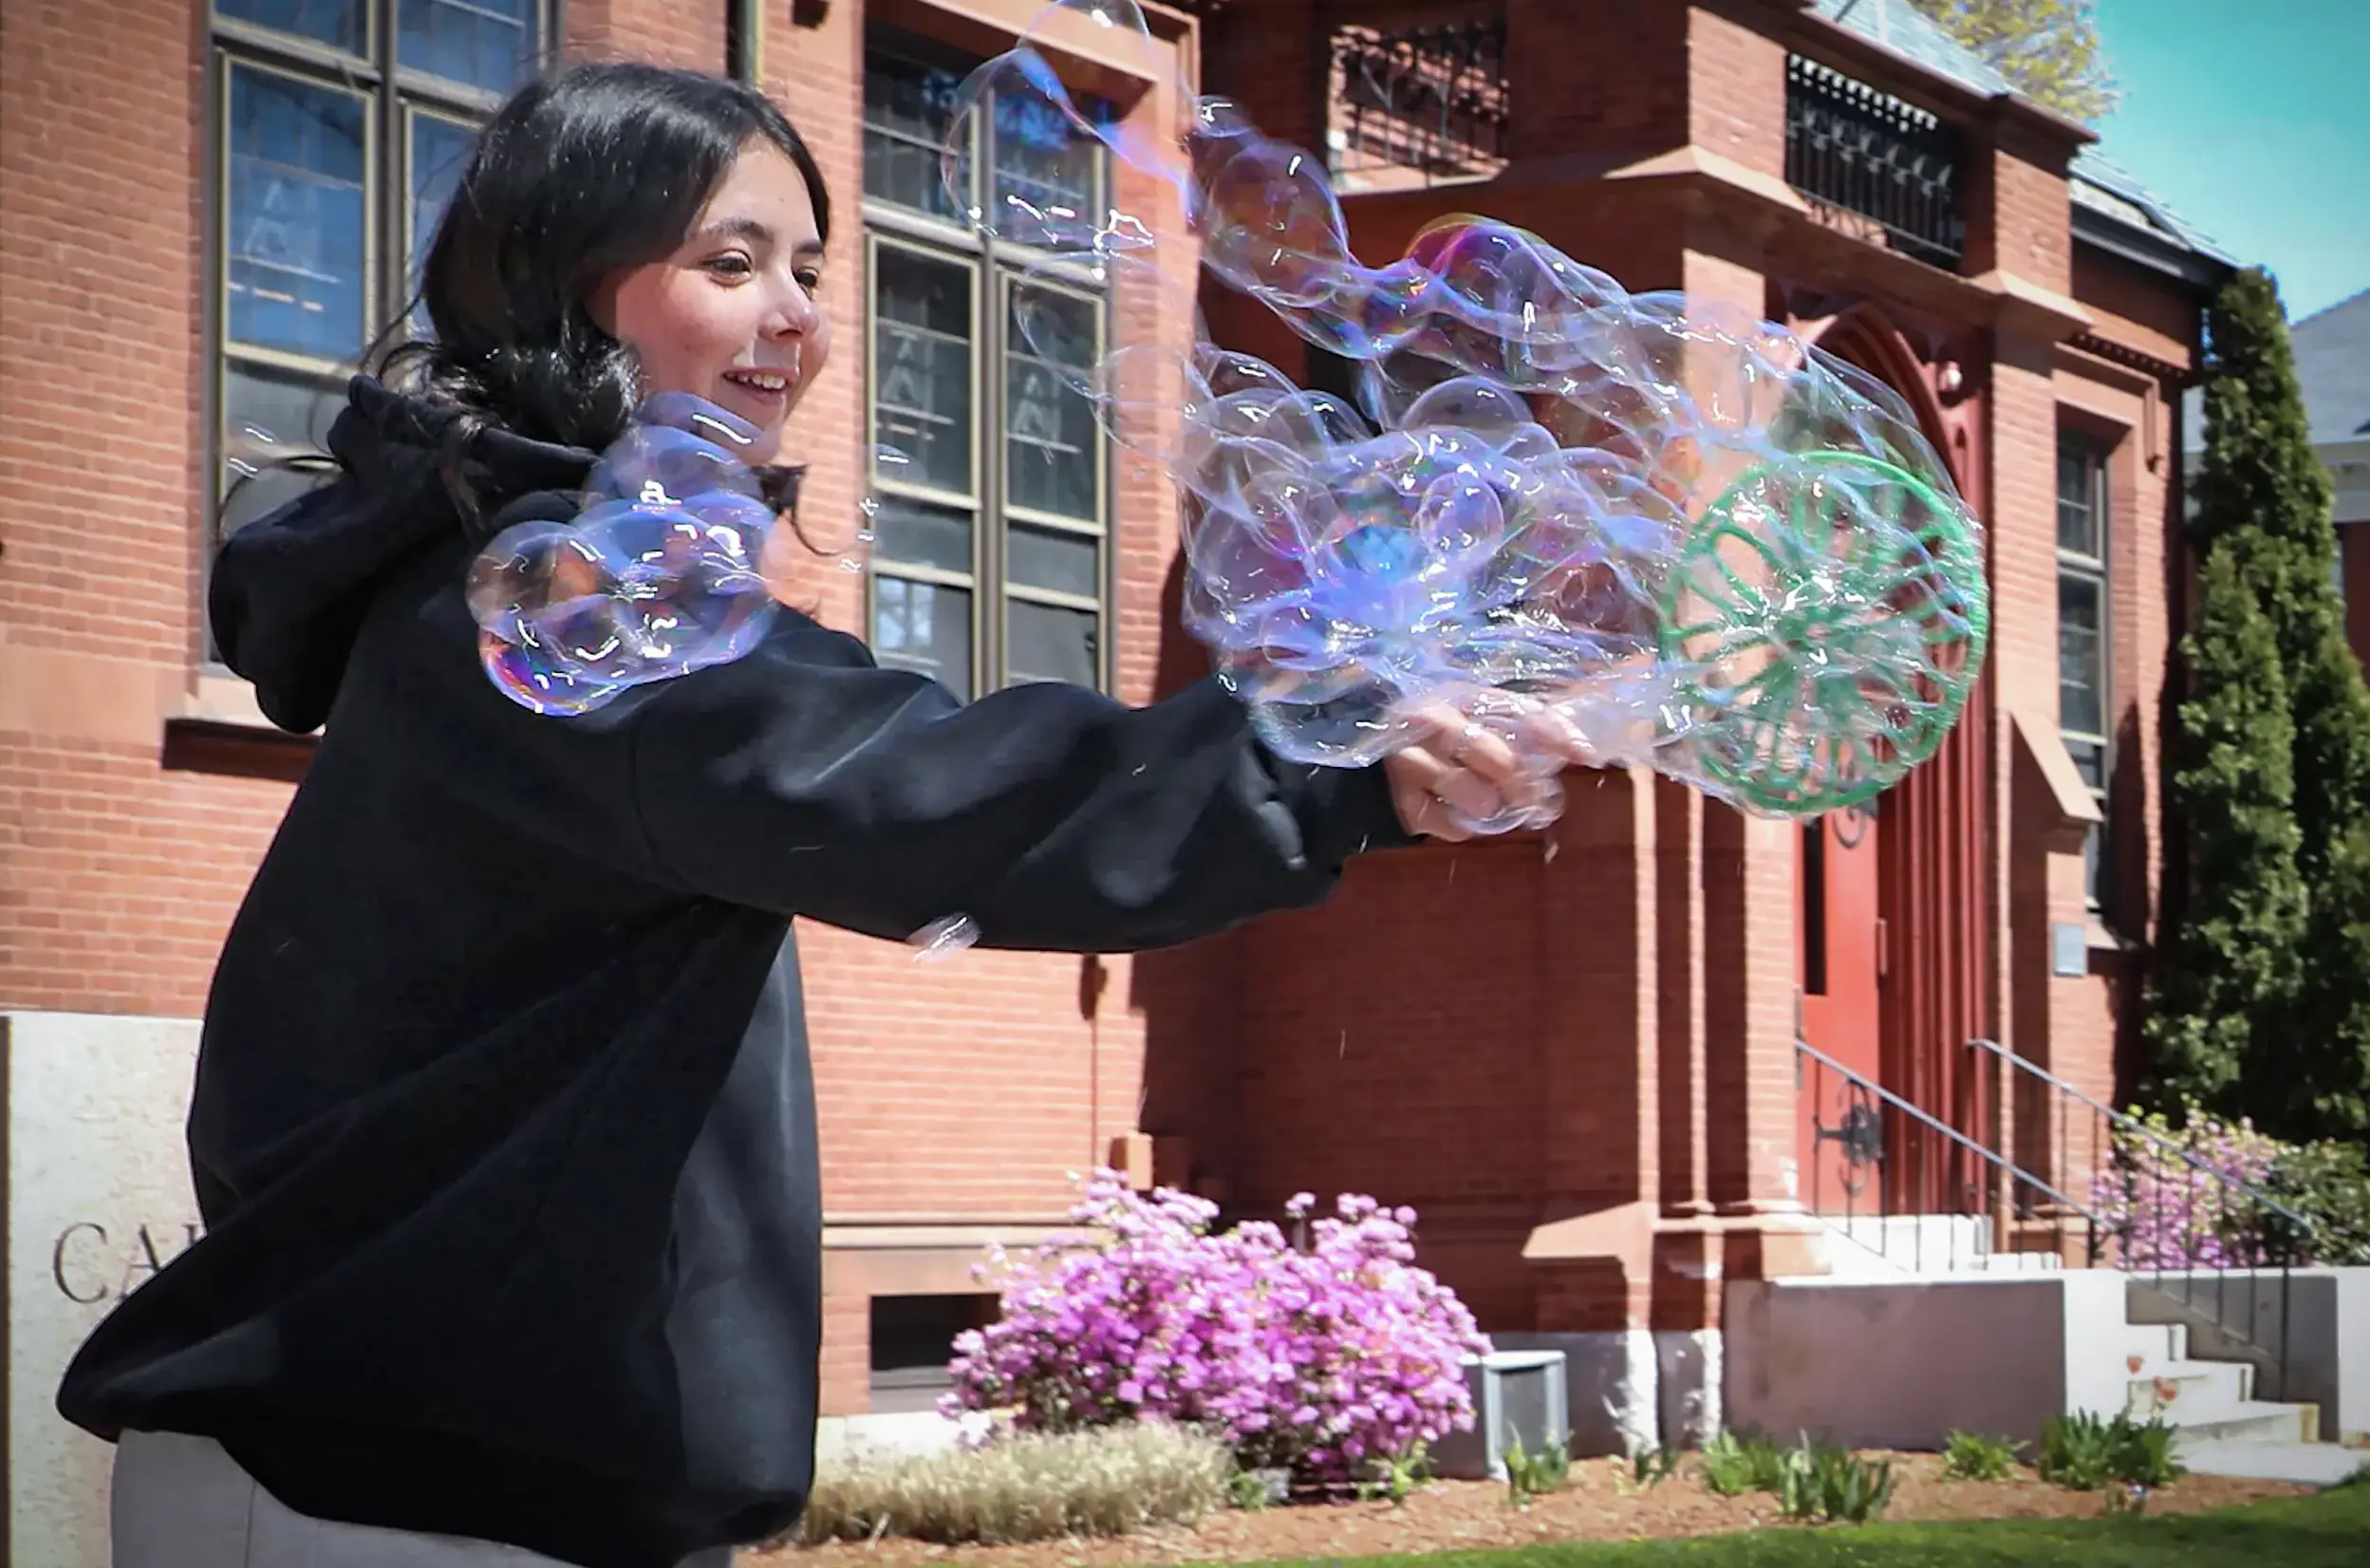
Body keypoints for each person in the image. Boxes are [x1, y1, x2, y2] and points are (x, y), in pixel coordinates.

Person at [60, 60, 1584, 1568]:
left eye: (809, 265)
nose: (798, 315)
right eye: (729, 263)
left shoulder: (530, 586)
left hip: (453, 1478)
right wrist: (1332, 770)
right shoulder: (550, 609)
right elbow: (917, 795)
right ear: (569, 287)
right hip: (390, 1502)